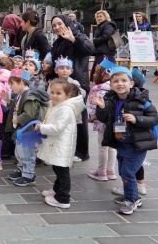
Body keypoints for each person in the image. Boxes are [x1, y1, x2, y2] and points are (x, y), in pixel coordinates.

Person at [94, 67, 158, 215]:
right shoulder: (111, 99)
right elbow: (103, 118)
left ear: (131, 83)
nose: (120, 84)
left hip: (137, 145)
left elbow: (154, 118)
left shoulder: (141, 99)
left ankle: (131, 200)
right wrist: (102, 108)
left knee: (127, 172)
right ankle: (133, 196)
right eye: (115, 81)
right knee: (124, 172)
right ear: (111, 85)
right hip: (121, 143)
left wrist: (137, 119)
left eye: (124, 80)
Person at [49, 15, 95, 162]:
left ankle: (82, 152)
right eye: (54, 25)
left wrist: (73, 39)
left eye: (59, 24)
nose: (57, 27)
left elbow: (90, 49)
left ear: (68, 23)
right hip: (61, 84)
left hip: (77, 84)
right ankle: (65, 148)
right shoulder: (57, 42)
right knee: (62, 116)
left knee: (78, 117)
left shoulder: (78, 35)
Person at [37, 78, 84, 209]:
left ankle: (63, 198)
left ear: (67, 95)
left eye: (58, 93)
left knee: (62, 171)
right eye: (52, 92)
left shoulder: (66, 109)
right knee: (58, 168)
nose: (54, 96)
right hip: (57, 144)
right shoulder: (56, 105)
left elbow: (58, 128)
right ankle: (56, 190)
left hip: (62, 145)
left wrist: (41, 127)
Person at [5, 69, 49, 187]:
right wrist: (9, 100)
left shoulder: (30, 96)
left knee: (27, 153)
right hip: (22, 129)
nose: (10, 87)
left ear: (20, 82)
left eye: (12, 84)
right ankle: (21, 170)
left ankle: (29, 175)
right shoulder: (21, 94)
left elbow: (29, 113)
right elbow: (18, 106)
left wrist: (18, 119)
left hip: (27, 130)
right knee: (19, 152)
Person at [87, 60, 116, 182]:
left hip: (102, 121)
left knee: (102, 146)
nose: (93, 75)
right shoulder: (113, 88)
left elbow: (95, 106)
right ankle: (111, 171)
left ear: (103, 74)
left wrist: (92, 117)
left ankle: (101, 172)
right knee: (112, 147)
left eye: (95, 72)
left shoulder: (98, 89)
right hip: (114, 121)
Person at [91, 10, 117, 80]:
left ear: (105, 17)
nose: (99, 18)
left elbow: (106, 36)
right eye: (98, 17)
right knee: (102, 71)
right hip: (102, 52)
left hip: (106, 52)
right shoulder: (102, 26)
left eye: (101, 16)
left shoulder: (108, 25)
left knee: (105, 71)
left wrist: (94, 41)